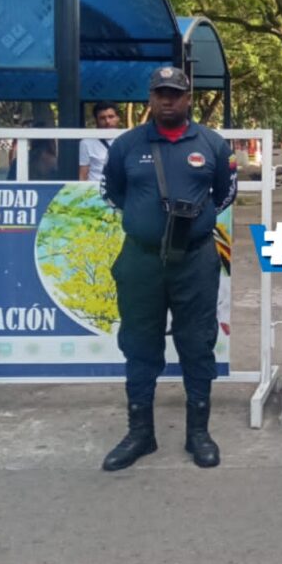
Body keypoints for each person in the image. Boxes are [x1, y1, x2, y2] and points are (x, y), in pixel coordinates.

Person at [100, 66, 237, 471]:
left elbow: (224, 193)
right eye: (160, 93)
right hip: (141, 260)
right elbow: (114, 192)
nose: (167, 100)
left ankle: (199, 433)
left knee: (197, 343)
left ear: (188, 98)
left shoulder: (212, 144)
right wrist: (148, 221)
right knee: (140, 345)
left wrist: (192, 223)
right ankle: (140, 433)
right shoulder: (126, 145)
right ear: (150, 98)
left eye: (175, 93)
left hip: (195, 260)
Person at [79, 101, 121, 182]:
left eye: (111, 117)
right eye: (102, 118)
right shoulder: (86, 143)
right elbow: (82, 176)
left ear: (118, 118)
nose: (107, 121)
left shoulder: (127, 140)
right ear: (96, 120)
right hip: (96, 188)